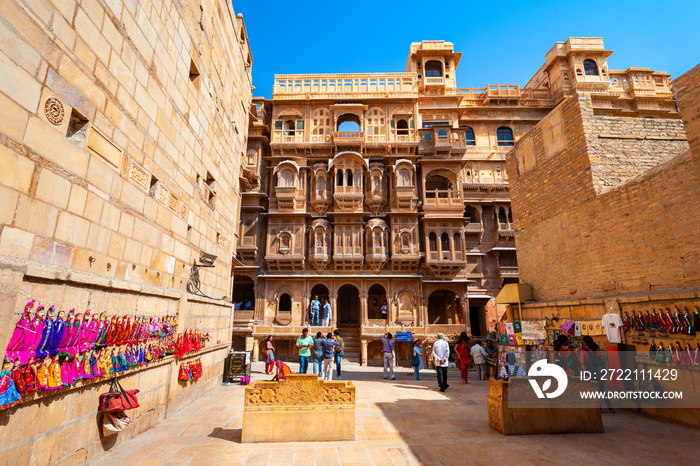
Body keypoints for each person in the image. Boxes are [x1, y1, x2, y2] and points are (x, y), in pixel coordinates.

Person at [582, 336, 614, 413]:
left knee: (594, 391)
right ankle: (610, 408)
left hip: (589, 372)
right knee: (602, 389)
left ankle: (599, 408)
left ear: (585, 342)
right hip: (599, 372)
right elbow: (602, 361)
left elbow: (583, 363)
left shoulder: (583, 351)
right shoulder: (597, 350)